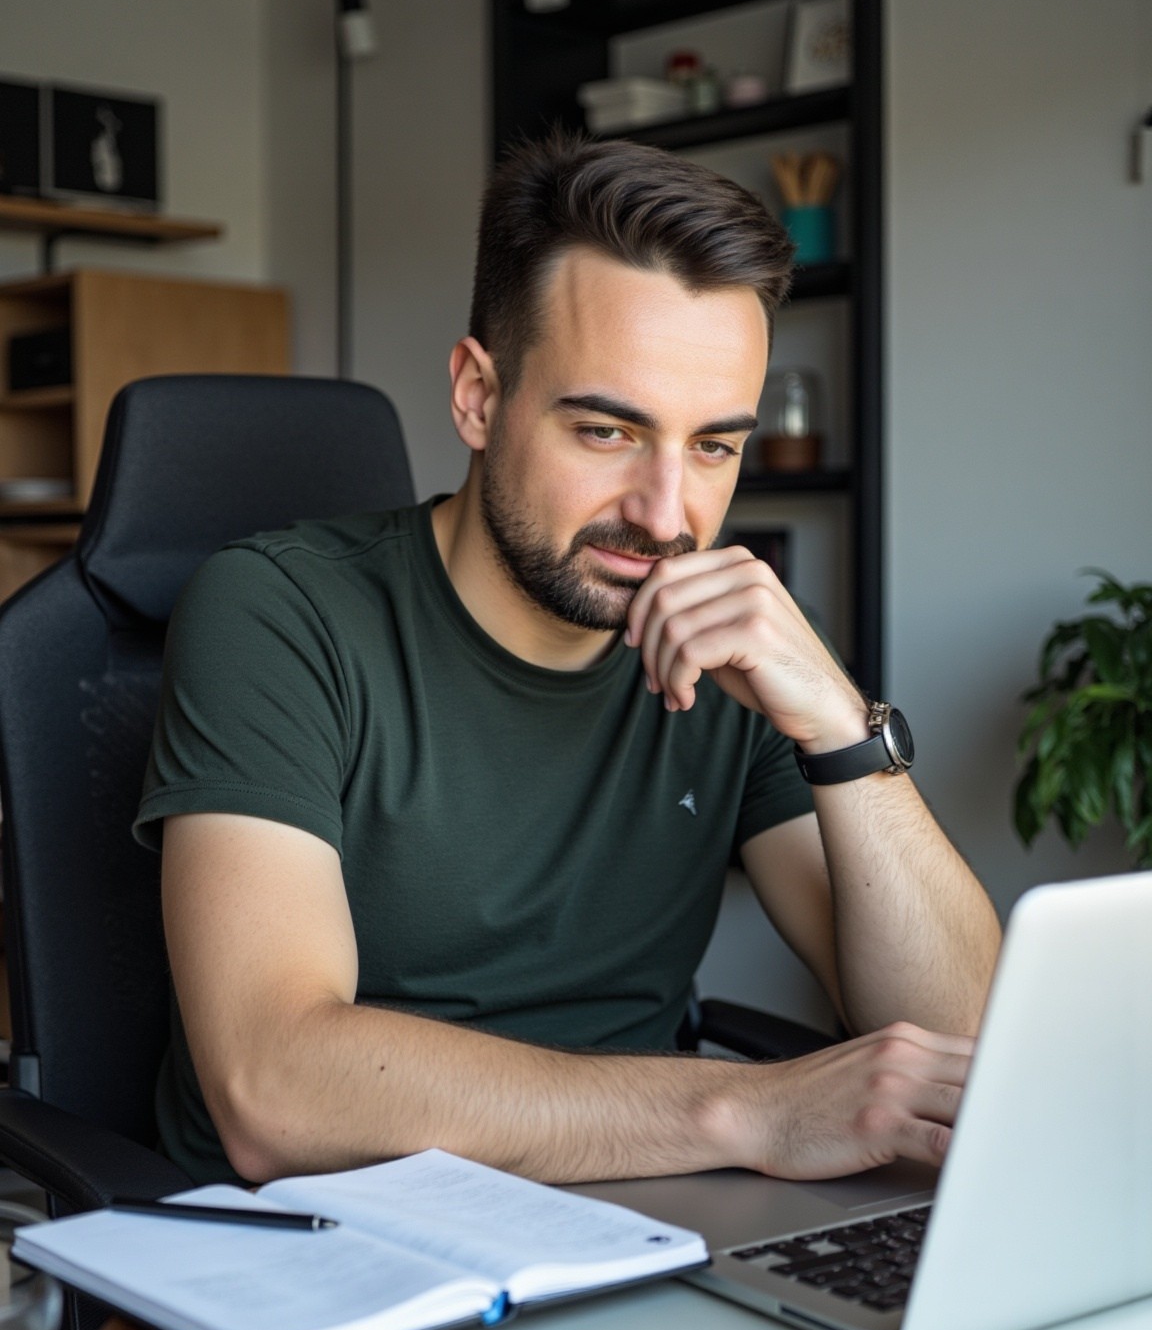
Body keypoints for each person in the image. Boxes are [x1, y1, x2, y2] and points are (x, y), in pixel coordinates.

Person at [135, 132, 1001, 1190]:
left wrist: (841, 729)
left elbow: (964, 1052)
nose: (667, 515)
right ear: (478, 397)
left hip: (642, 1227)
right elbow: (274, 1090)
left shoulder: (737, 650)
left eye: (715, 446)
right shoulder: (281, 612)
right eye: (606, 431)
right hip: (311, 1250)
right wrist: (743, 1111)